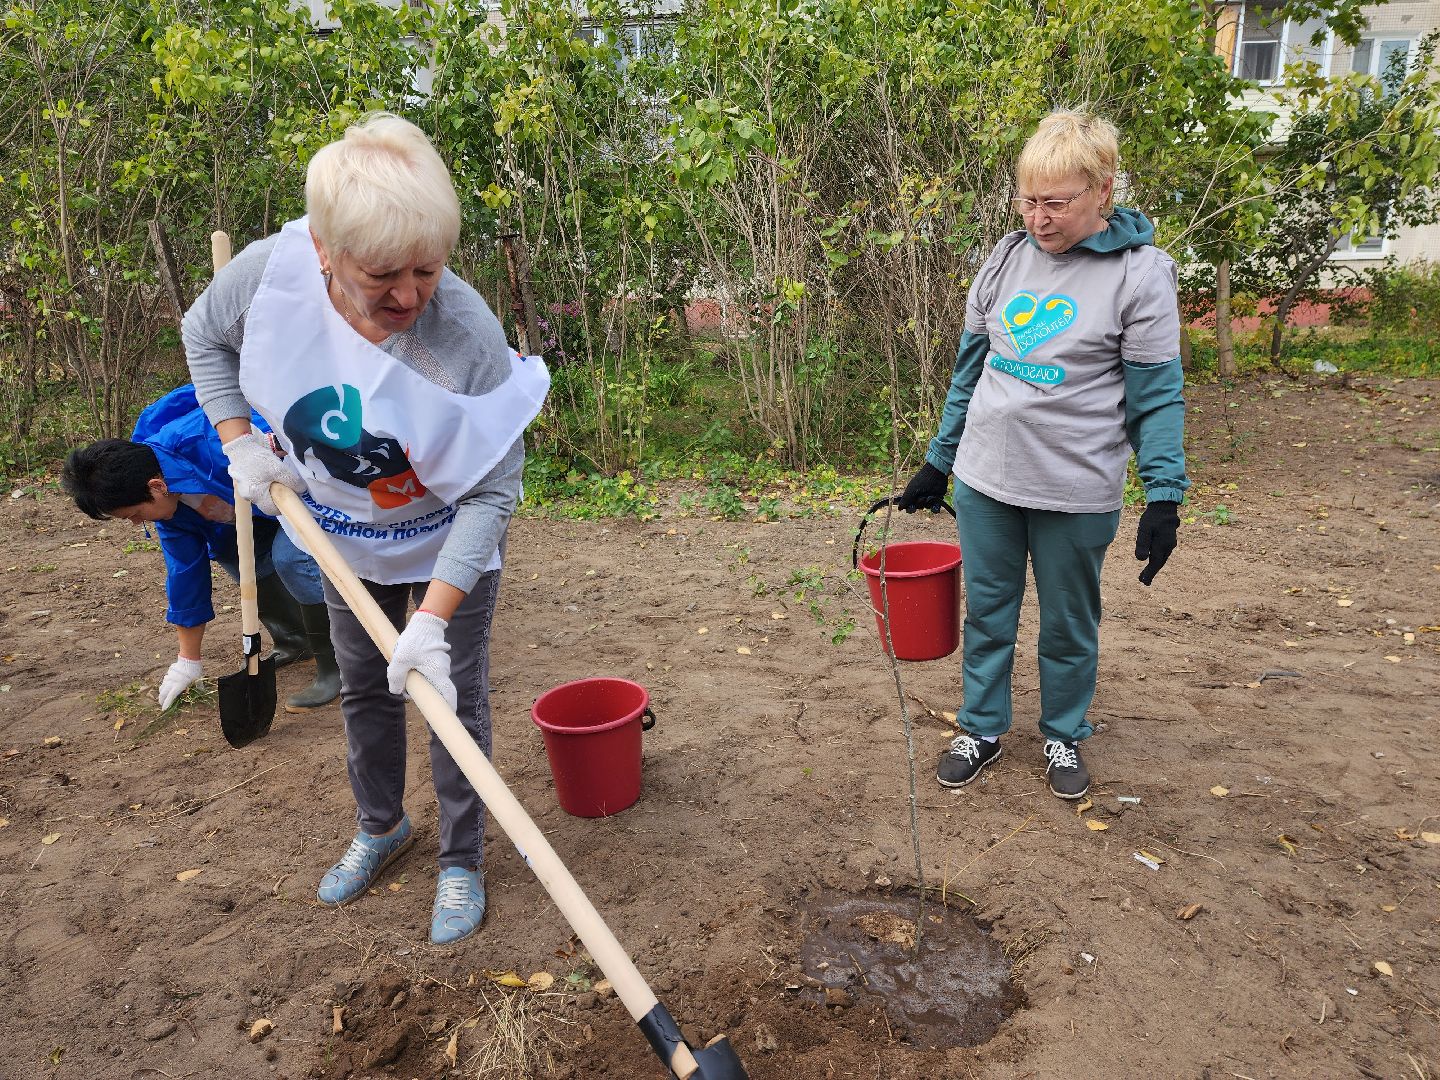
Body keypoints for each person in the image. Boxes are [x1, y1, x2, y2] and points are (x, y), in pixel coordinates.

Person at [181, 113, 549, 945]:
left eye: (428, 267)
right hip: (344, 533)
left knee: (452, 696)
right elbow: (203, 336)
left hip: (452, 531)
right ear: (324, 250)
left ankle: (462, 859)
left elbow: (495, 491)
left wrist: (431, 618)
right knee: (364, 688)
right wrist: (239, 443)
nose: (411, 295)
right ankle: (382, 827)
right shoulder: (268, 278)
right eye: (382, 273)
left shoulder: (465, 335)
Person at [897, 110, 1188, 801]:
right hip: (986, 479)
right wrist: (941, 461)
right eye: (1028, 200)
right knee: (988, 613)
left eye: (1056, 202)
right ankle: (982, 728)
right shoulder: (1006, 257)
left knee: (1067, 622)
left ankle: (1063, 733)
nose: (1038, 218)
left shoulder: (1141, 277)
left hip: (1075, 487)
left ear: (1103, 190)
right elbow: (971, 372)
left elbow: (1157, 397)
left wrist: (1165, 493)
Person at [62, 385, 339, 712]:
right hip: (246, 513)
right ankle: (295, 639)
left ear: (156, 487)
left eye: (135, 515)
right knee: (233, 552)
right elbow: (185, 576)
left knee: (290, 558)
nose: (137, 524)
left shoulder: (208, 442)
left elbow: (301, 449)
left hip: (304, 492)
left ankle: (338, 662)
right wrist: (187, 660)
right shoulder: (168, 510)